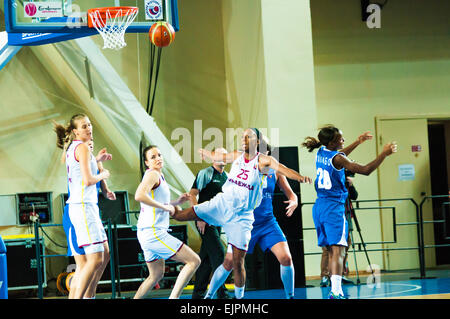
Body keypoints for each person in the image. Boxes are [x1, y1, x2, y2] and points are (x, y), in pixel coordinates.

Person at [171, 128, 312, 299]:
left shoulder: (271, 169)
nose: (266, 155)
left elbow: (288, 181)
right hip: (232, 212)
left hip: (260, 221)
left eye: (268, 151)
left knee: (279, 259)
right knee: (227, 261)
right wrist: (207, 154)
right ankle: (209, 295)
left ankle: (287, 296)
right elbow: (223, 158)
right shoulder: (240, 159)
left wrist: (298, 186)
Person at [302, 125, 397, 299]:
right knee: (339, 251)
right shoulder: (337, 158)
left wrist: (358, 142)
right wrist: (384, 154)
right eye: (340, 138)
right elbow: (365, 170)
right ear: (332, 142)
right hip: (333, 208)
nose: (343, 140)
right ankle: (336, 291)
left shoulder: (321, 151)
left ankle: (333, 285)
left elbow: (339, 155)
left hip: (320, 206)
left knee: (332, 251)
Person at [54, 114, 111, 299]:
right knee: (92, 260)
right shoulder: (82, 148)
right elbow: (88, 180)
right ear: (76, 131)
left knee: (104, 254)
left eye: (89, 124)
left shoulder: (78, 148)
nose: (89, 128)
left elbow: (83, 171)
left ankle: (89, 295)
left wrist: (98, 160)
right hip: (82, 207)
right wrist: (103, 175)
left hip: (87, 206)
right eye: (84, 126)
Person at [133, 145, 201, 299]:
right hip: (153, 232)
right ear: (146, 163)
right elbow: (139, 196)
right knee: (194, 261)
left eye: (159, 155)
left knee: (155, 275)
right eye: (153, 157)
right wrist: (166, 207)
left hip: (146, 232)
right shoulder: (152, 175)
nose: (158, 158)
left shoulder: (159, 176)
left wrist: (175, 202)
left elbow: (156, 201)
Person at [190, 148, 230, 299]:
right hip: (204, 221)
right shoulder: (205, 173)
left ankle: (197, 295)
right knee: (219, 255)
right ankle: (223, 294)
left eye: (225, 155)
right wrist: (199, 217)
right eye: (219, 154)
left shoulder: (226, 176)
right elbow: (192, 194)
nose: (223, 157)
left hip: (217, 221)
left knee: (206, 259)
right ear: (213, 157)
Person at [319, 169, 358, 287]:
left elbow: (354, 196)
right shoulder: (329, 179)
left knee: (345, 247)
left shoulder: (345, 183)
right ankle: (325, 276)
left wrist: (350, 186)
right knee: (328, 248)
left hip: (345, 216)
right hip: (330, 216)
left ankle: (340, 274)